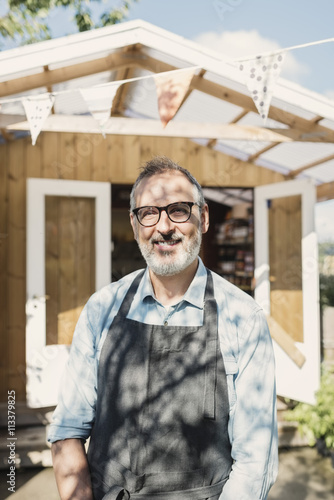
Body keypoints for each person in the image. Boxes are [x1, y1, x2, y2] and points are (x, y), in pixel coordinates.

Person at [48, 156, 278, 500]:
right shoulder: (102, 308)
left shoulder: (243, 318)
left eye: (179, 210)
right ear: (134, 223)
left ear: (203, 218)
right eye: (149, 213)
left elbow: (255, 462)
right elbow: (68, 430)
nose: (164, 226)